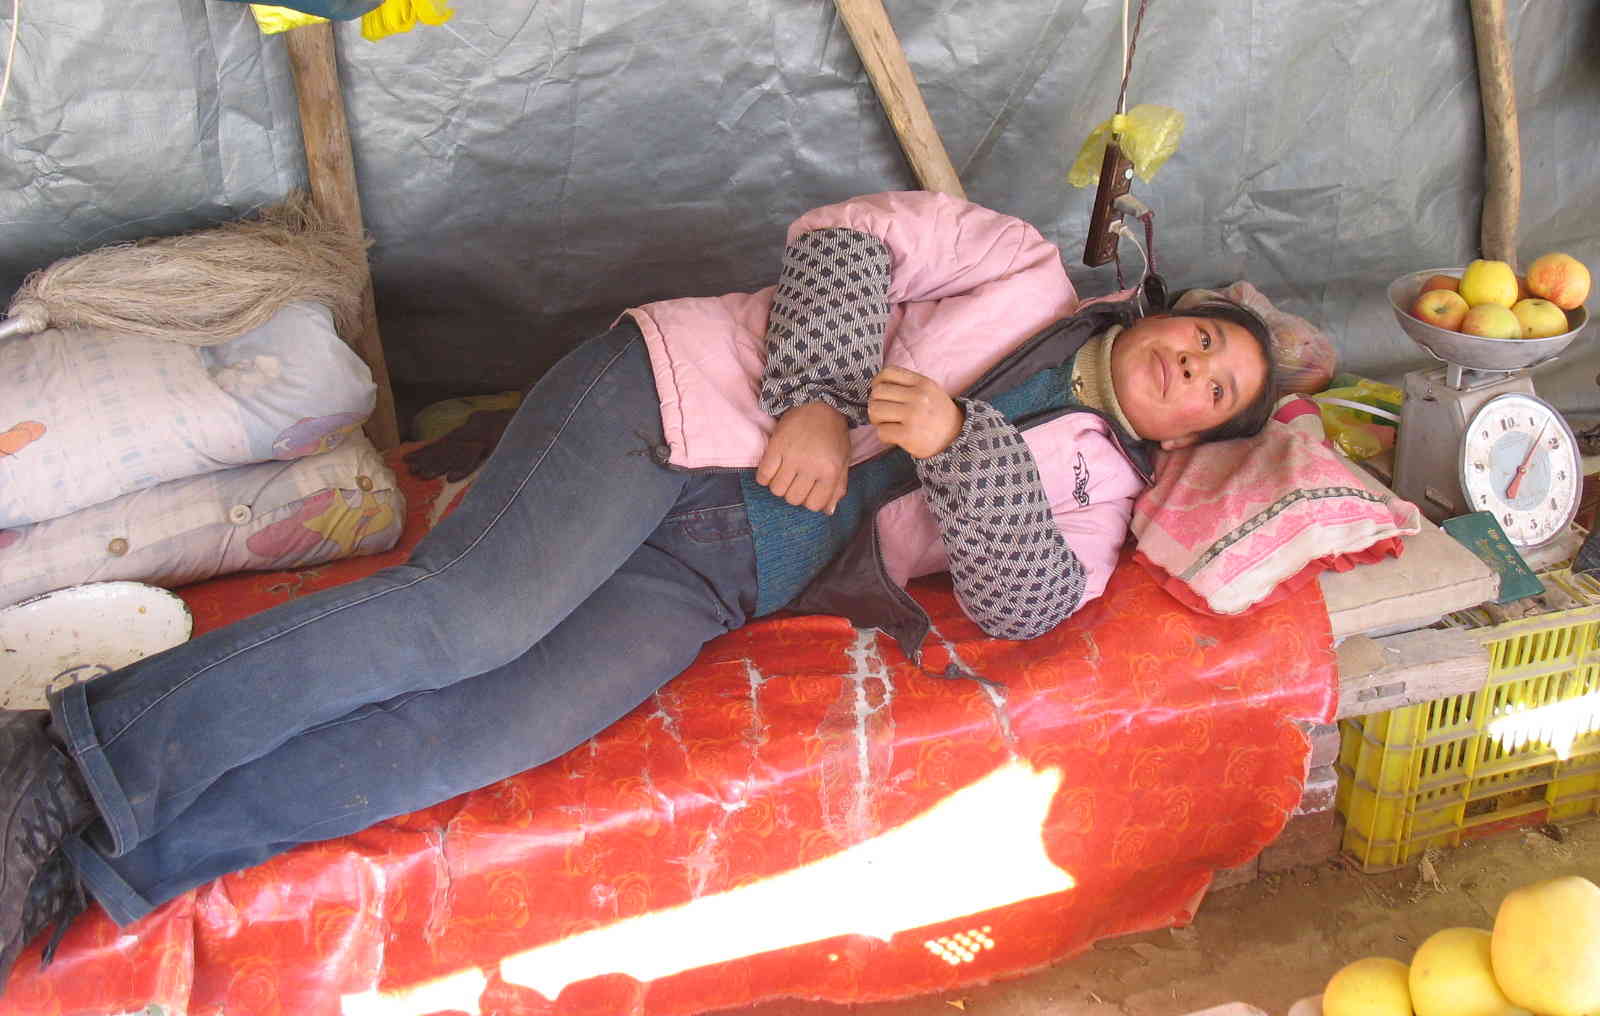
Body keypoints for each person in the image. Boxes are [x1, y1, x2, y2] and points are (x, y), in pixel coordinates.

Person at [0, 191, 1275, 985]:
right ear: (1171, 314)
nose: (1193, 367)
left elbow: (1026, 601)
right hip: (665, 410)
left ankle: (112, 859)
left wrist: (964, 446)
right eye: (1205, 339)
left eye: (1216, 391)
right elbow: (849, 238)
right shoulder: (1020, 265)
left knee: (482, 733)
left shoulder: (1098, 492)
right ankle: (73, 759)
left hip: (719, 575)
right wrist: (817, 404)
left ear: (1187, 439)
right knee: (466, 618)